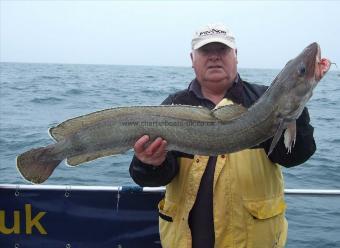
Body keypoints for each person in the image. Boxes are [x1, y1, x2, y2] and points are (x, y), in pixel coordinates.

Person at [129, 23, 316, 248]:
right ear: (192, 58)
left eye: (222, 50)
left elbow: (294, 157)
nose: (214, 57)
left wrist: (296, 108)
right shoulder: (173, 106)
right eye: (206, 51)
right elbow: (151, 177)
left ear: (235, 55)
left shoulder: (262, 99)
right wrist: (149, 163)